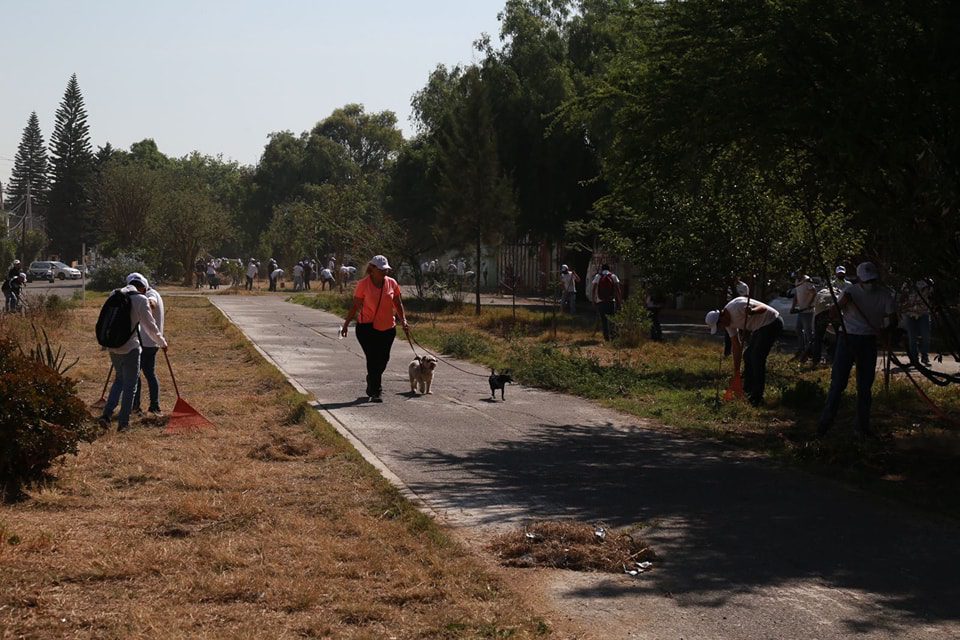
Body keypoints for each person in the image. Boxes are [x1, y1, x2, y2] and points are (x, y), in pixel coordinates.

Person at [818, 262, 896, 438]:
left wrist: (884, 331)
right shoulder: (852, 292)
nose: (869, 284)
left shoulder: (881, 294)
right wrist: (841, 304)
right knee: (839, 384)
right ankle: (825, 425)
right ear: (860, 279)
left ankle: (859, 427)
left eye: (871, 280)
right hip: (850, 338)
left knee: (862, 386)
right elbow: (834, 313)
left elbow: (893, 320)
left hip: (864, 340)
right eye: (867, 280)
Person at [99, 274, 168, 432]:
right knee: (131, 385)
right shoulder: (140, 299)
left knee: (119, 380)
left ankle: (106, 415)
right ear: (143, 287)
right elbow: (150, 327)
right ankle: (123, 423)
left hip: (113, 346)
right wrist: (162, 342)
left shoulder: (115, 294)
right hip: (131, 347)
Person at [340, 255, 409, 402]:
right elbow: (355, 306)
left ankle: (371, 377)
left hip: (388, 328)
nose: (385, 272)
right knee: (372, 359)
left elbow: (398, 303)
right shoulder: (363, 284)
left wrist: (403, 320)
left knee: (384, 359)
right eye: (381, 270)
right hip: (367, 328)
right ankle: (376, 391)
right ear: (372, 269)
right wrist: (346, 324)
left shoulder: (392, 283)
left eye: (386, 270)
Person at [706, 296, 783, 407]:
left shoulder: (736, 307)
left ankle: (757, 397)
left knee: (757, 357)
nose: (723, 328)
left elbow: (763, 308)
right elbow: (736, 346)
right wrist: (736, 371)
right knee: (747, 356)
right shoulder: (728, 324)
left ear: (721, 318)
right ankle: (747, 390)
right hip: (759, 328)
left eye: (720, 325)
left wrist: (752, 311)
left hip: (772, 322)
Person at [130, 273, 165, 417]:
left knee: (136, 374)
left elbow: (152, 303)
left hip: (146, 342)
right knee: (149, 373)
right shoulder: (152, 293)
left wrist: (142, 305)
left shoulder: (150, 295)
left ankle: (136, 406)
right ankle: (154, 406)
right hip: (151, 341)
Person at [900, 278, 933, 366]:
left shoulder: (928, 282)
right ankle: (914, 359)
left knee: (925, 335)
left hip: (923, 312)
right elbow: (902, 297)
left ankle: (924, 356)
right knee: (912, 337)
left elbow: (932, 297)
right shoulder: (908, 283)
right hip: (910, 313)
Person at [591, 264, 622, 341]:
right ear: (609, 269)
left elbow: (594, 289)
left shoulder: (598, 276)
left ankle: (606, 338)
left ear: (602, 269)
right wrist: (619, 301)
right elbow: (618, 290)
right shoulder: (613, 276)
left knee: (604, 320)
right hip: (611, 301)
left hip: (600, 301)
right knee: (612, 319)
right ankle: (614, 337)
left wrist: (593, 300)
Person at [791, 273, 817, 357]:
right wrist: (793, 306)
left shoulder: (807, 280)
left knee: (808, 331)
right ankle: (801, 348)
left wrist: (809, 304)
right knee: (798, 329)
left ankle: (810, 351)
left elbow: (814, 292)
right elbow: (796, 295)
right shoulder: (797, 282)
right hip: (801, 310)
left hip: (808, 311)